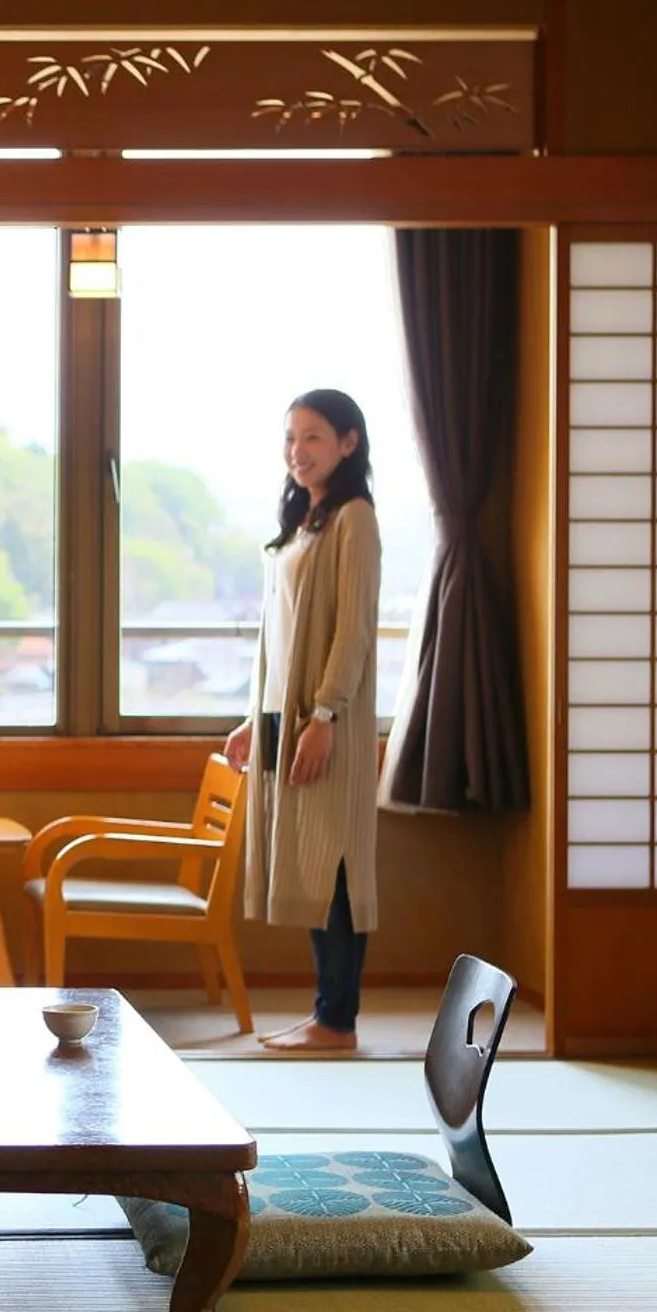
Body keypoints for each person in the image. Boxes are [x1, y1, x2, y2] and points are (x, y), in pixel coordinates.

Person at [223, 389, 383, 1053]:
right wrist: (251, 719)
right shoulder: (305, 521)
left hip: (325, 721)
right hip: (283, 718)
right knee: (314, 869)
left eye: (313, 436)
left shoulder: (354, 518)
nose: (298, 451)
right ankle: (326, 1013)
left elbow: (354, 630)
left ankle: (337, 1021)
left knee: (335, 867)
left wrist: (325, 715)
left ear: (348, 443)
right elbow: (280, 636)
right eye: (291, 438)